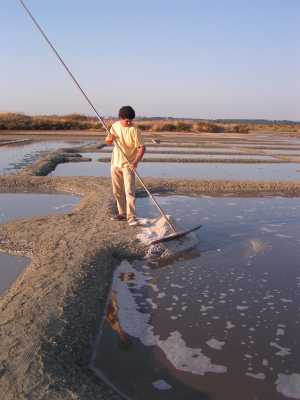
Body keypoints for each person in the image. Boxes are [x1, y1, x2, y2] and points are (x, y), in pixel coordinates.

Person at [105, 106, 145, 226]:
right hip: (115, 163)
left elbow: (142, 148)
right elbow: (108, 141)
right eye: (126, 120)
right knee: (117, 191)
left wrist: (136, 162)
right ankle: (122, 214)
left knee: (129, 191)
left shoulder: (135, 130)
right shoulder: (115, 126)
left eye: (130, 120)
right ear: (120, 118)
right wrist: (110, 139)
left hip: (128, 164)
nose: (129, 122)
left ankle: (131, 216)